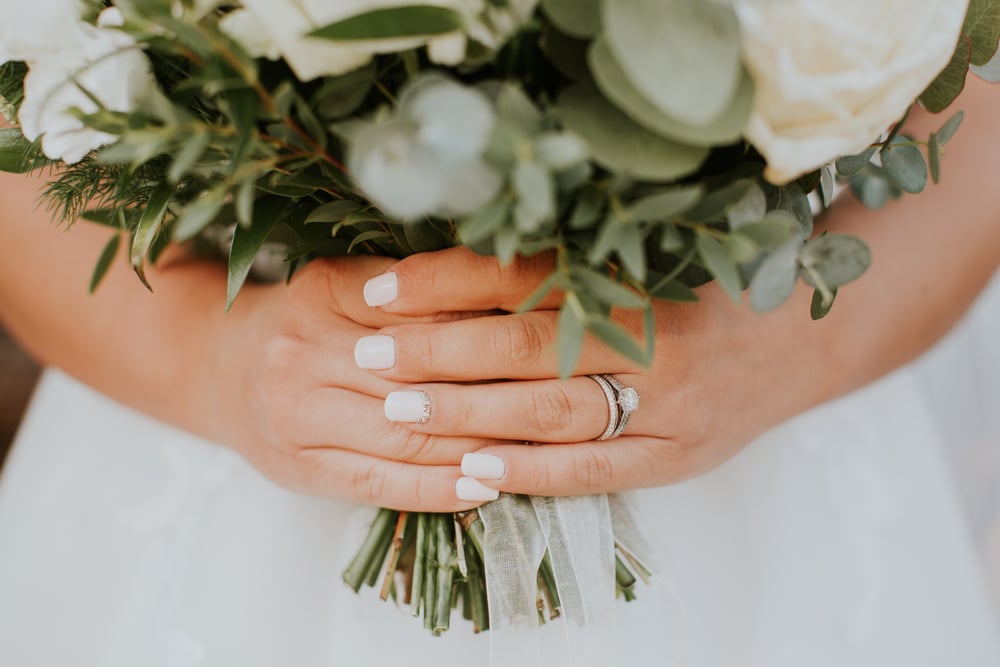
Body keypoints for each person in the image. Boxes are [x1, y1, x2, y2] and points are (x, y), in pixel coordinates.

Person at [0, 73, 998, 665]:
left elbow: (980, 116)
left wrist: (787, 346)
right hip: (223, 430)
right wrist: (209, 362)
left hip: (756, 461)